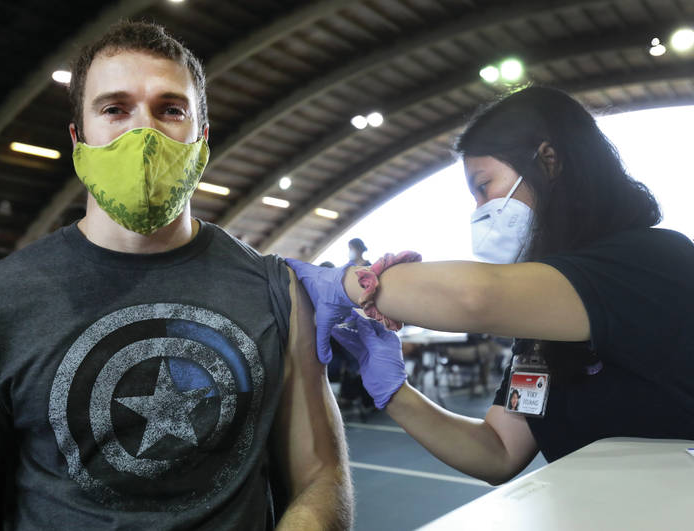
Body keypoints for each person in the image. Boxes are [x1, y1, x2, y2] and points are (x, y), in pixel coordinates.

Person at [0, 22, 351, 530]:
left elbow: (320, 475)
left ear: (201, 137)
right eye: (114, 109)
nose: (143, 134)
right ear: (78, 137)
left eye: (170, 110)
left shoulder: (275, 289)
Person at [289, 86, 694, 485]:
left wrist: (346, 282)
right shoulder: (541, 326)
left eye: (484, 187)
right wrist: (393, 390)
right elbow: (498, 451)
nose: (481, 210)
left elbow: (475, 297)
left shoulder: (655, 259)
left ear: (549, 160)